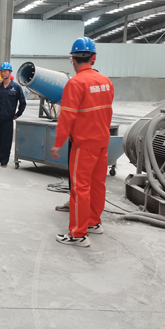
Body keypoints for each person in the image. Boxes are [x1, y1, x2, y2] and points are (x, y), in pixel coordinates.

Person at [50, 37, 114, 247]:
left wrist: (58, 143)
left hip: (84, 145)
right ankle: (94, 222)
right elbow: (107, 112)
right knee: (97, 185)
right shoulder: (106, 82)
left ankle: (78, 233)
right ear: (93, 58)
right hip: (102, 142)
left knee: (80, 188)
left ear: (74, 60)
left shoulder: (75, 83)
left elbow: (67, 117)